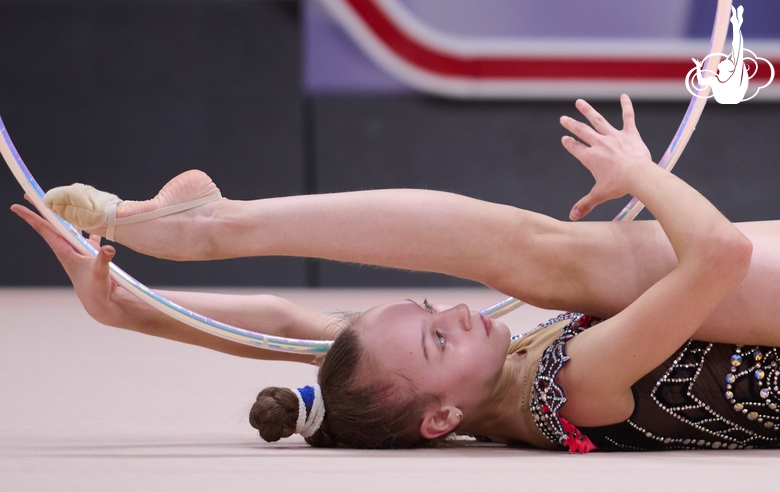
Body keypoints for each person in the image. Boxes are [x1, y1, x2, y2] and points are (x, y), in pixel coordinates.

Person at [12, 95, 780, 452]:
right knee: (568, 257)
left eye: (424, 310)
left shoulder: (468, 386)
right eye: (437, 342)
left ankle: (214, 225)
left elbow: (290, 324)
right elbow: (719, 256)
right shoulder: (570, 384)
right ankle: (212, 227)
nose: (451, 316)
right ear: (441, 419)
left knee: (553, 255)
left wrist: (127, 305)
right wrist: (641, 174)